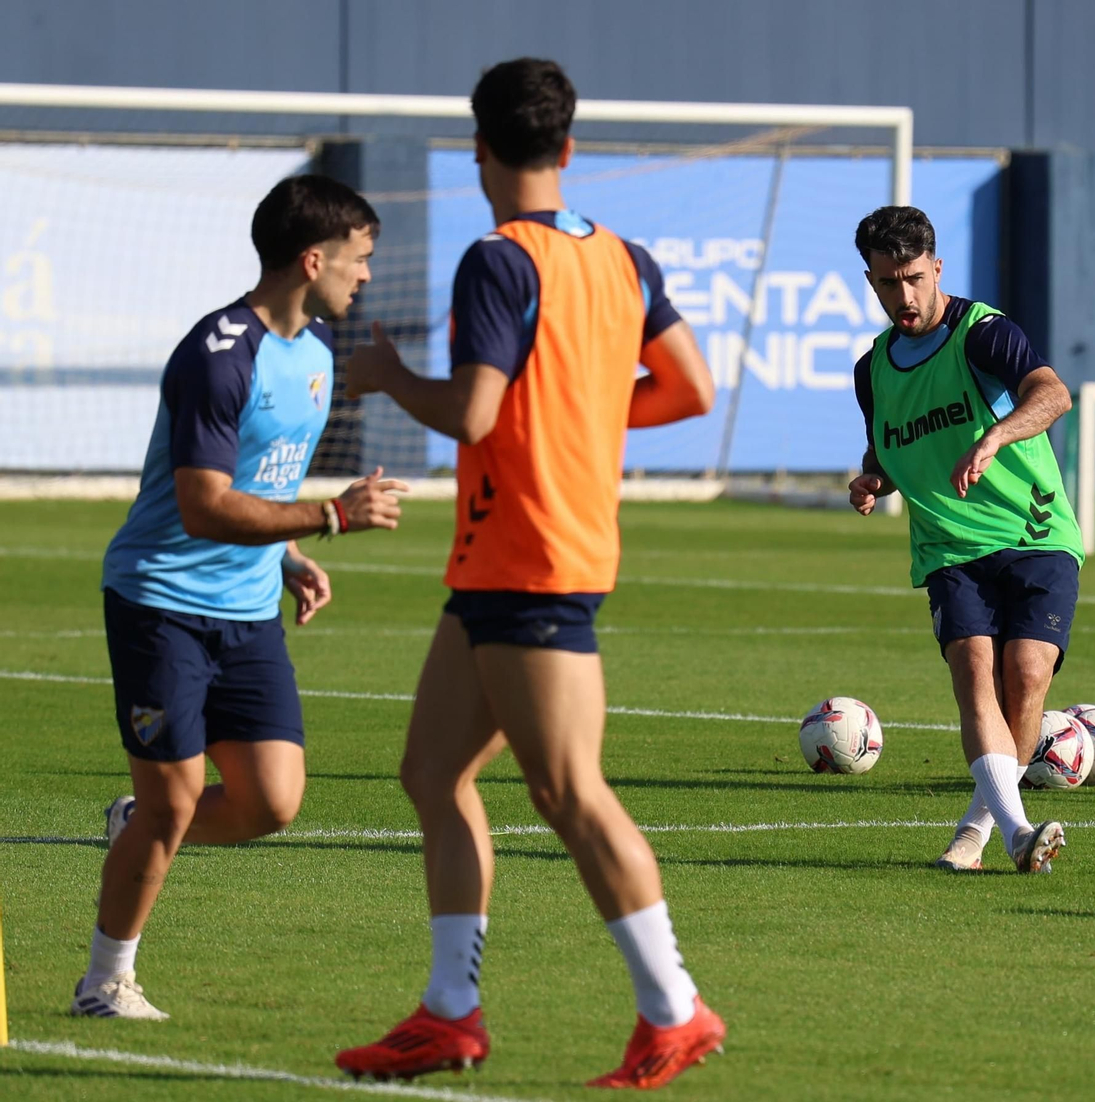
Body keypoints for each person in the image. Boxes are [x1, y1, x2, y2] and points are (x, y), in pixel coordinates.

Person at [331, 58, 723, 1089]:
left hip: (532, 556)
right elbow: (691, 388)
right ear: (568, 147)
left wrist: (382, 376)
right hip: (512, 559)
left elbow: (471, 412)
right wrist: (590, 415)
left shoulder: (499, 260)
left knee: (568, 790)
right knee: (430, 773)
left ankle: (673, 1008)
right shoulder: (623, 258)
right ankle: (449, 1014)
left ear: (478, 151)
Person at [77, 175, 406, 1020]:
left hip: (249, 609)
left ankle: (137, 824)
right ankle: (105, 981)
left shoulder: (316, 356)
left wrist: (291, 551)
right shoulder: (217, 354)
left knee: (272, 802)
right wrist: (333, 516)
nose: (366, 275)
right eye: (359, 259)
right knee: (175, 799)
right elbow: (201, 503)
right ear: (312, 258)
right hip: (161, 603)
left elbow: (263, 482)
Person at [847, 205, 1084, 874]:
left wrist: (997, 435)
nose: (905, 297)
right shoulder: (873, 372)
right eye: (889, 283)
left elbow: (1053, 394)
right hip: (950, 548)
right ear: (871, 281)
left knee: (1027, 675)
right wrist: (872, 482)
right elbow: (889, 455)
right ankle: (1017, 834)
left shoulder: (983, 335)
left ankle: (977, 830)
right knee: (975, 670)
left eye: (915, 279)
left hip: (1034, 530)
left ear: (938, 269)